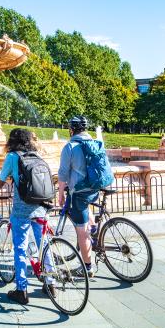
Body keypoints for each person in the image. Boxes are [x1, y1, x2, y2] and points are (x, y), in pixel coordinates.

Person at [0, 128, 54, 305]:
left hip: (22, 208)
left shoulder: (12, 157)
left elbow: (1, 179)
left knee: (20, 248)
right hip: (41, 205)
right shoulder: (37, 155)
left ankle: (21, 289)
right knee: (44, 243)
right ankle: (50, 282)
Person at [58, 116, 112, 278]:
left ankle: (87, 268)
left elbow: (62, 174)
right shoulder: (96, 143)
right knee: (86, 207)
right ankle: (94, 229)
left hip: (79, 192)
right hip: (95, 188)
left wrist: (60, 194)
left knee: (82, 232)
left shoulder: (70, 146)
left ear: (71, 129)